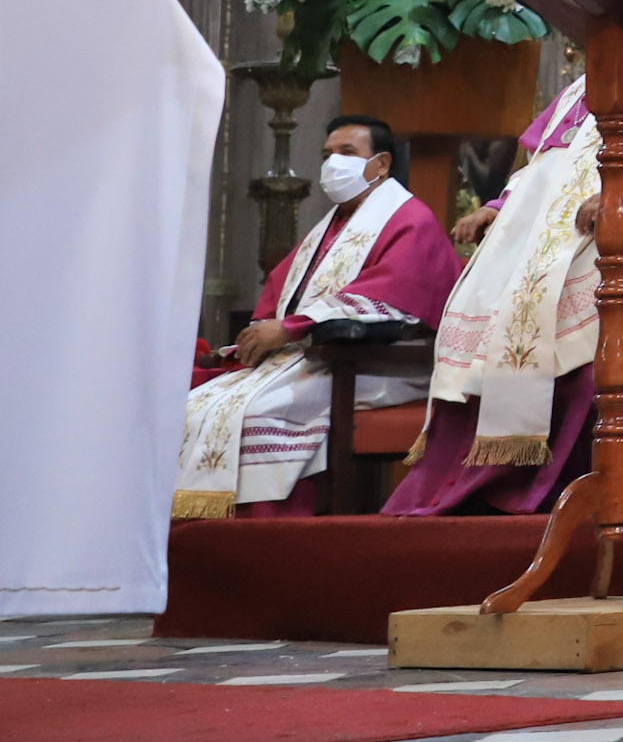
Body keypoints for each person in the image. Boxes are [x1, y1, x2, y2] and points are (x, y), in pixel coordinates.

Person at [384, 0, 623, 519]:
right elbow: (543, 165)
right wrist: (494, 206)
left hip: (614, 240)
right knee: (490, 309)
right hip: (541, 241)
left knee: (563, 327)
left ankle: (535, 487)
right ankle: (453, 482)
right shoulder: (583, 84)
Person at [174, 116, 461, 518]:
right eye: (327, 154)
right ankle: (199, 538)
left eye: (347, 153)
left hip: (378, 365)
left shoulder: (411, 222)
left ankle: (270, 538)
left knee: (258, 414)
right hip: (322, 358)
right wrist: (261, 333)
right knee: (193, 406)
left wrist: (291, 329)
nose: (333, 164)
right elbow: (281, 288)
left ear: (380, 164)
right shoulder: (334, 225)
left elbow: (391, 299)